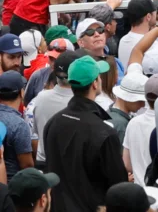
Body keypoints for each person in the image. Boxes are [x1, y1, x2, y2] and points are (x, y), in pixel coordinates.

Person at [42, 55, 129, 209]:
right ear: (95, 83)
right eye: (99, 77)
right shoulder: (104, 132)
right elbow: (118, 187)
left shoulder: (53, 122)